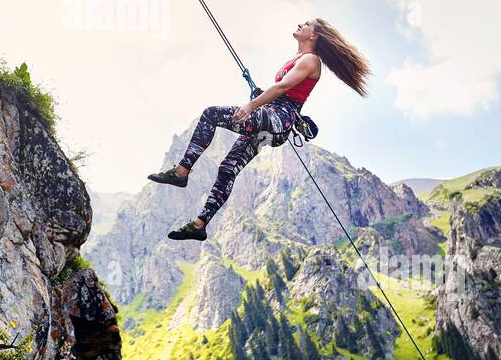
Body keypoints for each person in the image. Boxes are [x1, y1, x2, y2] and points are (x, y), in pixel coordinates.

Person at [149, 18, 370, 240]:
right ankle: (200, 224)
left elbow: (282, 87)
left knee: (211, 114)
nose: (300, 24)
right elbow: (284, 91)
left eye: (306, 24)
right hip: (271, 122)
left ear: (314, 35)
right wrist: (260, 99)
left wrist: (251, 105)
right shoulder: (297, 59)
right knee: (227, 168)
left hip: (277, 120)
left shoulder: (311, 60)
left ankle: (181, 172)